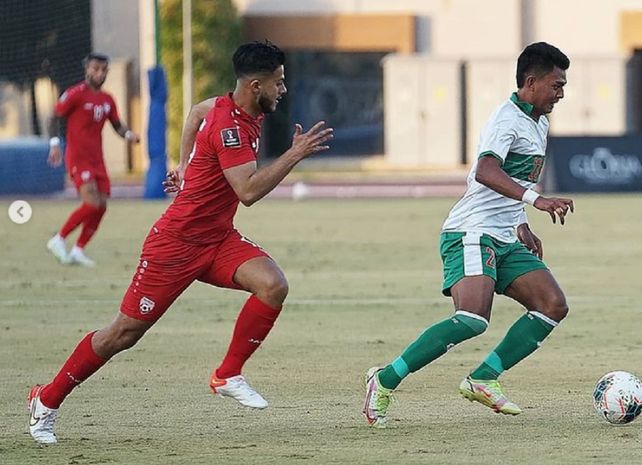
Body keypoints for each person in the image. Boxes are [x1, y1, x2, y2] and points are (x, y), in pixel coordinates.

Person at [28, 40, 334, 444]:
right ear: (256, 85)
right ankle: (46, 400)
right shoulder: (229, 127)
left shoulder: (233, 106)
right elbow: (247, 191)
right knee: (123, 334)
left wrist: (185, 166)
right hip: (175, 245)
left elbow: (194, 113)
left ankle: (227, 374)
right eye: (278, 83)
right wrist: (294, 155)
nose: (284, 89)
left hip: (217, 239)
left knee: (273, 284)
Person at [363, 42, 574, 428]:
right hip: (471, 231)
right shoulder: (505, 119)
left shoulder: (539, 121)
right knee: (473, 318)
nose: (561, 93)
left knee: (552, 305)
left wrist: (521, 222)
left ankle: (483, 378)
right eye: (556, 85)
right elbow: (486, 171)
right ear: (531, 82)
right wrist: (536, 200)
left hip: (504, 234)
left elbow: (517, 175)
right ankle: (384, 379)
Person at [46, 52, 140, 267]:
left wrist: (128, 135)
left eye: (103, 70)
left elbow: (117, 125)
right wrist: (54, 145)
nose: (99, 73)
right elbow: (53, 116)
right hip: (78, 158)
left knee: (102, 206)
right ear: (86, 69)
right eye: (95, 69)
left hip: (97, 160)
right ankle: (58, 239)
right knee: (92, 203)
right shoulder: (75, 94)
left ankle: (79, 249)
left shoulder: (107, 99)